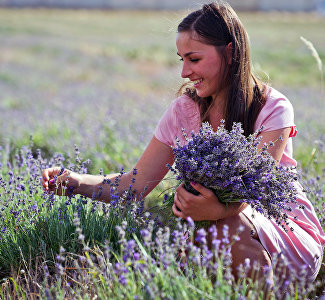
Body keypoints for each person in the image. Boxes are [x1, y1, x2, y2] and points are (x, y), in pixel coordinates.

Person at [42, 1, 324, 282]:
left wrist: (217, 210)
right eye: (182, 59)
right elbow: (135, 185)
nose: (184, 72)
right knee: (204, 235)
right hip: (214, 238)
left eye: (194, 59)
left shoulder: (272, 107)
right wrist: (76, 182)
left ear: (230, 52)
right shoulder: (183, 112)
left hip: (289, 239)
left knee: (226, 223)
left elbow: (252, 191)